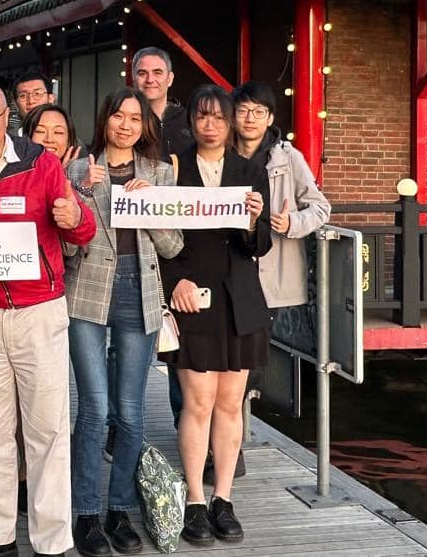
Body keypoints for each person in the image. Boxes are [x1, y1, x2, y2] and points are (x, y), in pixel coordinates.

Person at [0, 80, 97, 557]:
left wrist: (75, 217)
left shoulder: (42, 163)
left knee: (47, 429)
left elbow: (82, 231)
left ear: (7, 115)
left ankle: (52, 541)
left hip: (40, 312)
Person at [63, 89, 181, 557]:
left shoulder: (162, 174)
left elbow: (172, 247)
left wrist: (150, 208)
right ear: (104, 120)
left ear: (145, 125)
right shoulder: (77, 169)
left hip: (140, 291)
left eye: (135, 117)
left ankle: (119, 507)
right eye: (118, 115)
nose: (126, 124)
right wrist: (84, 196)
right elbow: (68, 247)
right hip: (87, 293)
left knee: (131, 411)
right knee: (94, 408)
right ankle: (86, 513)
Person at [159, 85, 271, 548]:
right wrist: (175, 282)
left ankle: (223, 497)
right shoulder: (174, 165)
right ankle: (194, 498)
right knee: (197, 402)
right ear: (192, 123)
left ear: (230, 124)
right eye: (202, 117)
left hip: (239, 296)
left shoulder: (250, 169)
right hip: (192, 294)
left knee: (230, 403)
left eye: (219, 118)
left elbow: (259, 243)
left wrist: (253, 220)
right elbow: (159, 228)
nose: (210, 125)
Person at [231, 82, 330, 310]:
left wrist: (291, 222)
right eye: (243, 110)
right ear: (232, 115)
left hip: (275, 272)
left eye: (259, 112)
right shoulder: (222, 157)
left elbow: (321, 208)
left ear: (270, 118)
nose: (250, 118)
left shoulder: (288, 157)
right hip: (231, 267)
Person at [130, 48, 193, 155]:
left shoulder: (189, 120)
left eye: (157, 73)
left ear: (170, 79)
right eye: (142, 73)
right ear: (133, 78)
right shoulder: (123, 122)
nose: (150, 80)